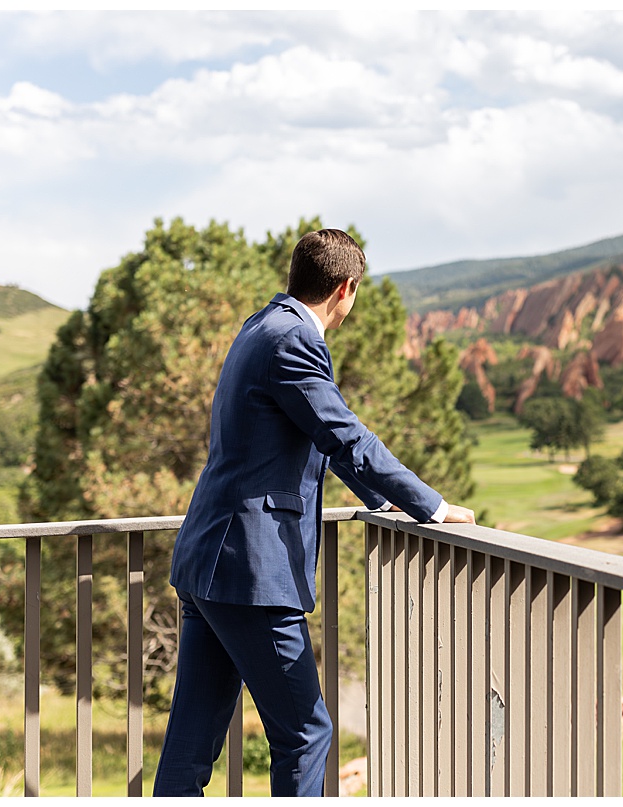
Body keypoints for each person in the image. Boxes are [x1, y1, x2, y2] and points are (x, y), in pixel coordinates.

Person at [153, 228, 475, 796]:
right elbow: (346, 436)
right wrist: (434, 504)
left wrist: (388, 496)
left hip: (209, 562)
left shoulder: (260, 325)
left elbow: (321, 439)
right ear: (345, 289)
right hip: (250, 571)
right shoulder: (293, 340)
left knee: (191, 744)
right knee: (305, 733)